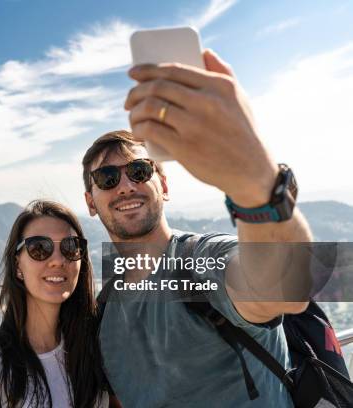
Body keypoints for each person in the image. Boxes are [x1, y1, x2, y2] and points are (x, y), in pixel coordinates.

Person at [82, 49, 312, 407]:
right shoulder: (103, 313)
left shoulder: (202, 260)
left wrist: (255, 182)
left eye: (139, 172)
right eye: (107, 178)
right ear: (90, 203)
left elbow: (284, 289)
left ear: (164, 185)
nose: (125, 186)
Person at [0, 200, 109, 407]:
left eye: (70, 247)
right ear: (17, 266)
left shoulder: (93, 351)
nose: (58, 260)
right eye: (40, 248)